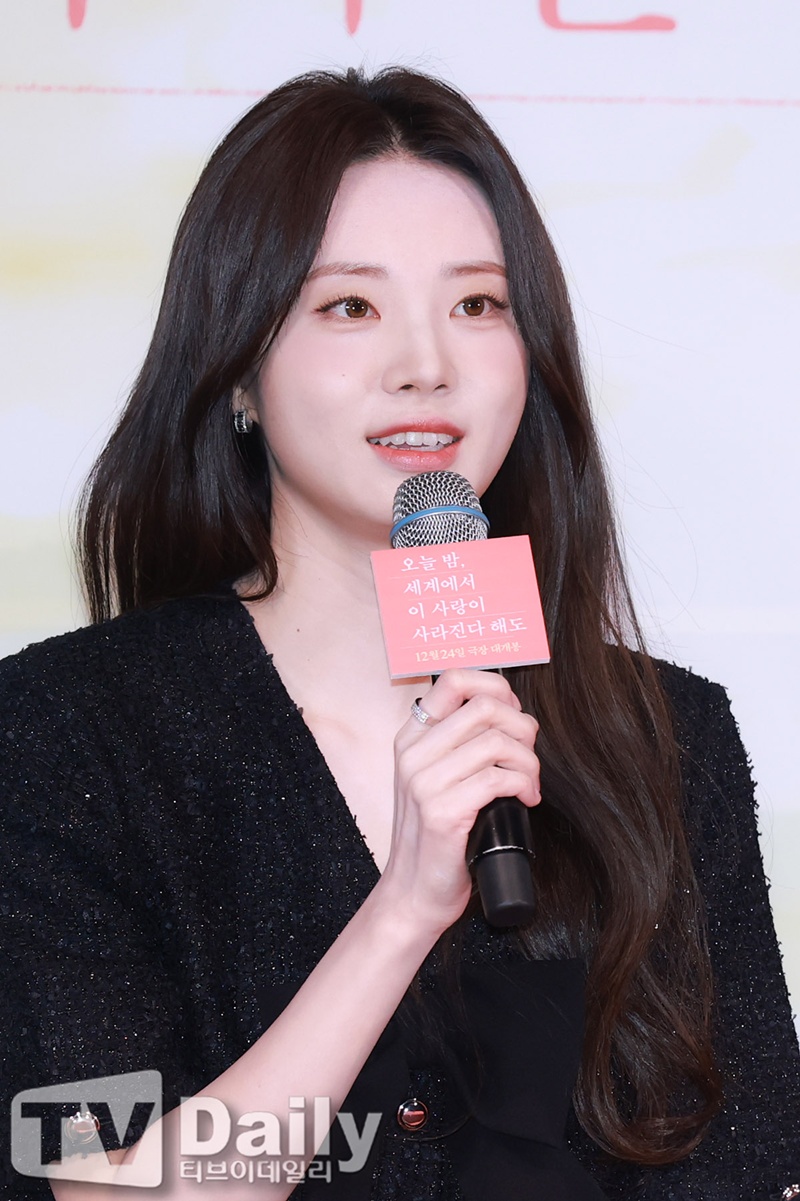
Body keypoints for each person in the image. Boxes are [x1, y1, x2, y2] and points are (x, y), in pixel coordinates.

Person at [0, 66, 798, 1201]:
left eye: (477, 305)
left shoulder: (669, 736)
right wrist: (404, 910)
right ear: (238, 369)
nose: (426, 364)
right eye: (349, 307)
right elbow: (107, 1184)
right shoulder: (69, 733)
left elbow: (750, 1165)